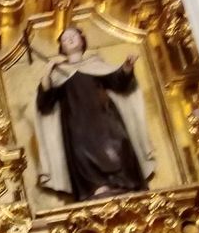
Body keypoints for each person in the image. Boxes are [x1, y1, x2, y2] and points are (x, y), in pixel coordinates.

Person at [35, 27, 157, 201]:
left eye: (73, 36)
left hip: (105, 118)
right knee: (83, 155)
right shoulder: (59, 74)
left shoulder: (96, 65)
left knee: (118, 147)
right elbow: (45, 103)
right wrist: (47, 72)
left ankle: (124, 184)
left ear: (82, 40)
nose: (69, 39)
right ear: (61, 47)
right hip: (77, 126)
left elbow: (119, 83)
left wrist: (127, 67)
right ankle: (97, 188)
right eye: (64, 38)